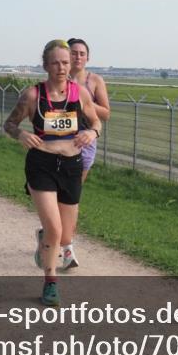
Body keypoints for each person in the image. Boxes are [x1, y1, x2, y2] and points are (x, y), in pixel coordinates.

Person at [3, 39, 101, 306]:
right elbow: (9, 124)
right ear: (45, 65)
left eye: (65, 62)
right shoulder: (33, 95)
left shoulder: (80, 94)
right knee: (55, 231)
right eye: (55, 63)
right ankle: (51, 282)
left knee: (65, 237)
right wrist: (21, 134)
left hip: (71, 166)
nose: (61, 67)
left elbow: (96, 121)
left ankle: (44, 240)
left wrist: (92, 133)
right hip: (42, 165)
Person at [52, 37, 111, 269]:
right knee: (55, 194)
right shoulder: (57, 78)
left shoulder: (94, 81)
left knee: (72, 194)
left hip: (84, 141)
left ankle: (65, 245)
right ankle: (52, 235)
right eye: (73, 53)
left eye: (81, 53)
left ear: (88, 57)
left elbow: (106, 113)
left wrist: (82, 99)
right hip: (58, 141)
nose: (77, 57)